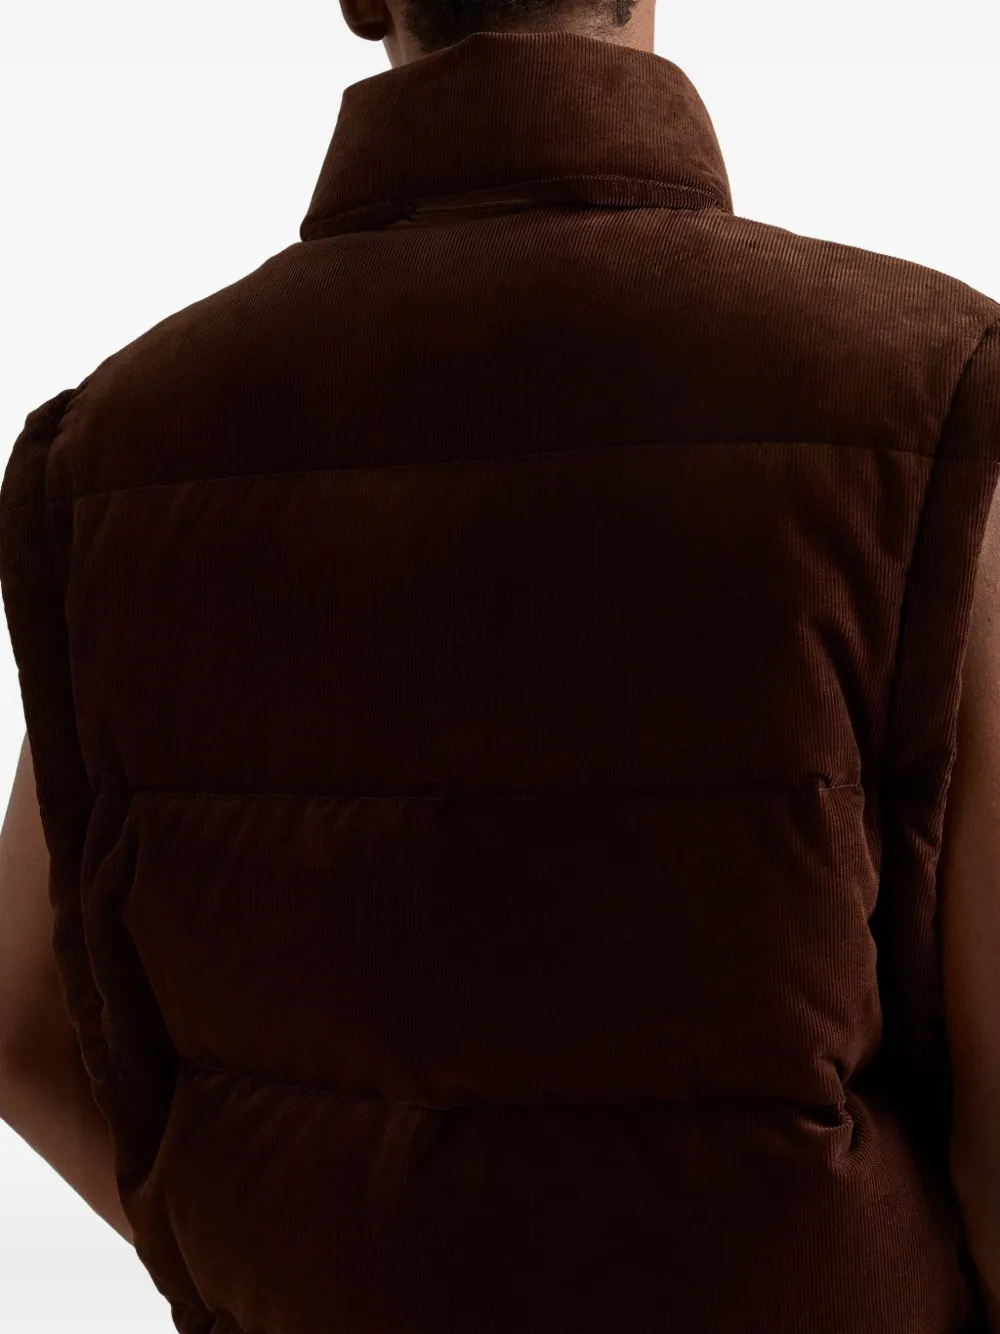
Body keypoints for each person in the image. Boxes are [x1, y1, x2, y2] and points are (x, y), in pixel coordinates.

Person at [1, 2, 999, 1331]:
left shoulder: (111, 458)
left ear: (364, 0)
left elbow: (23, 1031)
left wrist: (265, 1276)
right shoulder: (932, 391)